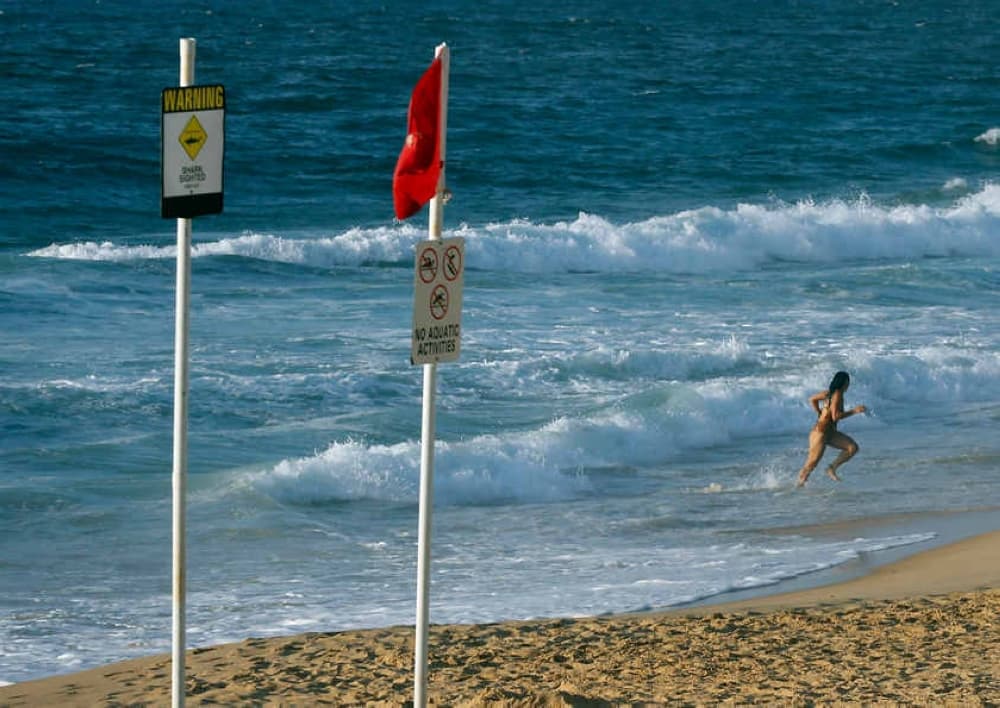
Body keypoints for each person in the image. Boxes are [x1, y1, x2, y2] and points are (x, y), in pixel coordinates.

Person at [796, 371, 866, 487]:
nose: (849, 385)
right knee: (811, 464)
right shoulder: (837, 394)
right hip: (820, 433)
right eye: (848, 382)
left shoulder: (829, 393)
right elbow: (836, 416)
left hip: (830, 432)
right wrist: (854, 411)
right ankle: (799, 487)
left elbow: (812, 399)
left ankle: (831, 468)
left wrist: (819, 412)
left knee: (852, 448)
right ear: (844, 383)